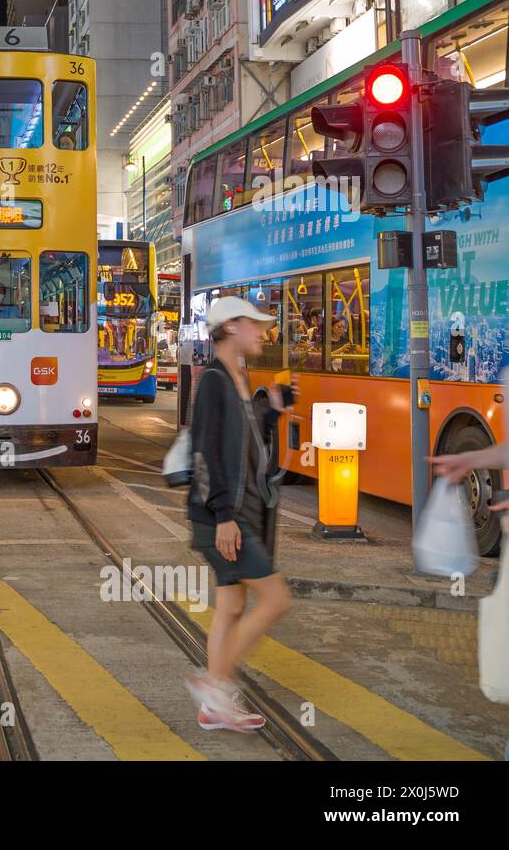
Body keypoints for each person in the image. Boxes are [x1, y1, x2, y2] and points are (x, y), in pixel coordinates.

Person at [184, 296, 294, 733]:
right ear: (230, 327)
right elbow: (204, 451)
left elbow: (245, 441)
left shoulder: (240, 377)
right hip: (225, 517)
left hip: (241, 510)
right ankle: (215, 684)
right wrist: (224, 515)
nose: (263, 332)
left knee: (231, 605)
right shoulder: (213, 380)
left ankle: (213, 706)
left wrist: (272, 411)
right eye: (255, 325)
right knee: (276, 599)